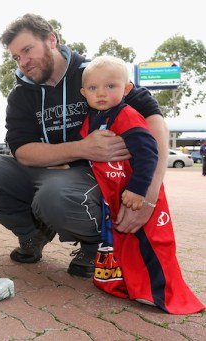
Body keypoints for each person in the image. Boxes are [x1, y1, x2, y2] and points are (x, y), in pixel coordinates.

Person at [0, 13, 169, 278]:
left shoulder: (94, 74)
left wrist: (148, 197)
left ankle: (96, 245)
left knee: (55, 196)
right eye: (16, 57)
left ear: (51, 40)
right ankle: (31, 233)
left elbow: (155, 122)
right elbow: (22, 150)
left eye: (27, 50)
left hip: (94, 174)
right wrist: (82, 147)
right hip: (48, 168)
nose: (23, 62)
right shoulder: (21, 93)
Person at [79, 55, 205, 314]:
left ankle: (161, 293)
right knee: (124, 243)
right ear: (84, 93)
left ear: (126, 89)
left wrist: (138, 191)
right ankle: (128, 285)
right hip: (114, 195)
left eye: (110, 86)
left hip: (137, 193)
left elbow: (149, 154)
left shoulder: (126, 115)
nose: (101, 93)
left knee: (152, 243)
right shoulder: (93, 117)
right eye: (93, 88)